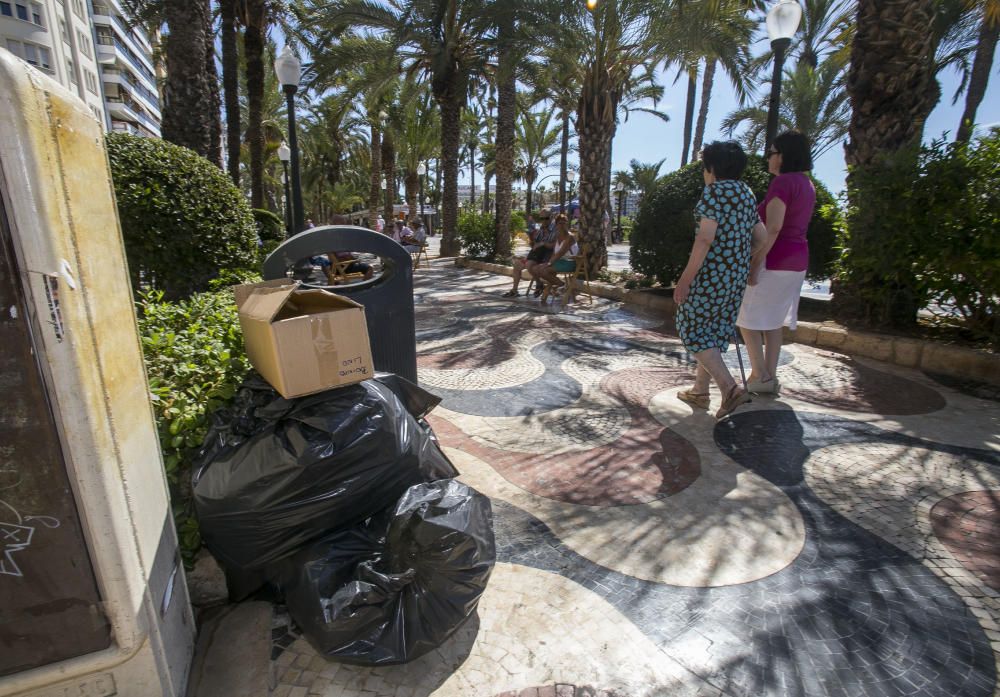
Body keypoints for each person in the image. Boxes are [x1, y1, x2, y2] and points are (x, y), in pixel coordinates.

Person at [673, 140, 767, 419]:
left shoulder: (714, 193)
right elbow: (760, 237)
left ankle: (729, 389)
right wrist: (737, 257)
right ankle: (700, 391)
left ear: (711, 168)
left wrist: (685, 280)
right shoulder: (747, 193)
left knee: (691, 328)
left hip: (709, 275)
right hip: (734, 277)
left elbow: (704, 239)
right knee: (712, 330)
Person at [737, 131, 816, 394]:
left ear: (784, 156)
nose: (768, 157)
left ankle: (760, 375)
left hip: (775, 258)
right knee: (773, 321)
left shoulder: (782, 184)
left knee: (746, 318)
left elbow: (773, 229)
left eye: (771, 152)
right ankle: (768, 377)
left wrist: (755, 262)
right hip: (797, 260)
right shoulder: (807, 184)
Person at [502, 212, 557, 297]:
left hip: (546, 257)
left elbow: (556, 245)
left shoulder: (555, 230)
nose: (544, 221)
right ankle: (514, 291)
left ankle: (539, 284)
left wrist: (543, 243)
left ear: (551, 218)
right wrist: (531, 238)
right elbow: (534, 244)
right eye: (542, 219)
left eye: (546, 218)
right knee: (517, 264)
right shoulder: (541, 229)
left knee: (529, 264)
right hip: (536, 255)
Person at [532, 214, 577, 303]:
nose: (562, 225)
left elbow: (560, 253)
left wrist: (548, 264)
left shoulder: (570, 237)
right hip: (559, 262)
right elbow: (554, 253)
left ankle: (561, 285)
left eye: (564, 223)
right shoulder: (557, 237)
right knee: (535, 269)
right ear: (556, 225)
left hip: (569, 263)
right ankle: (560, 285)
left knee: (543, 270)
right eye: (560, 223)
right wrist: (548, 262)